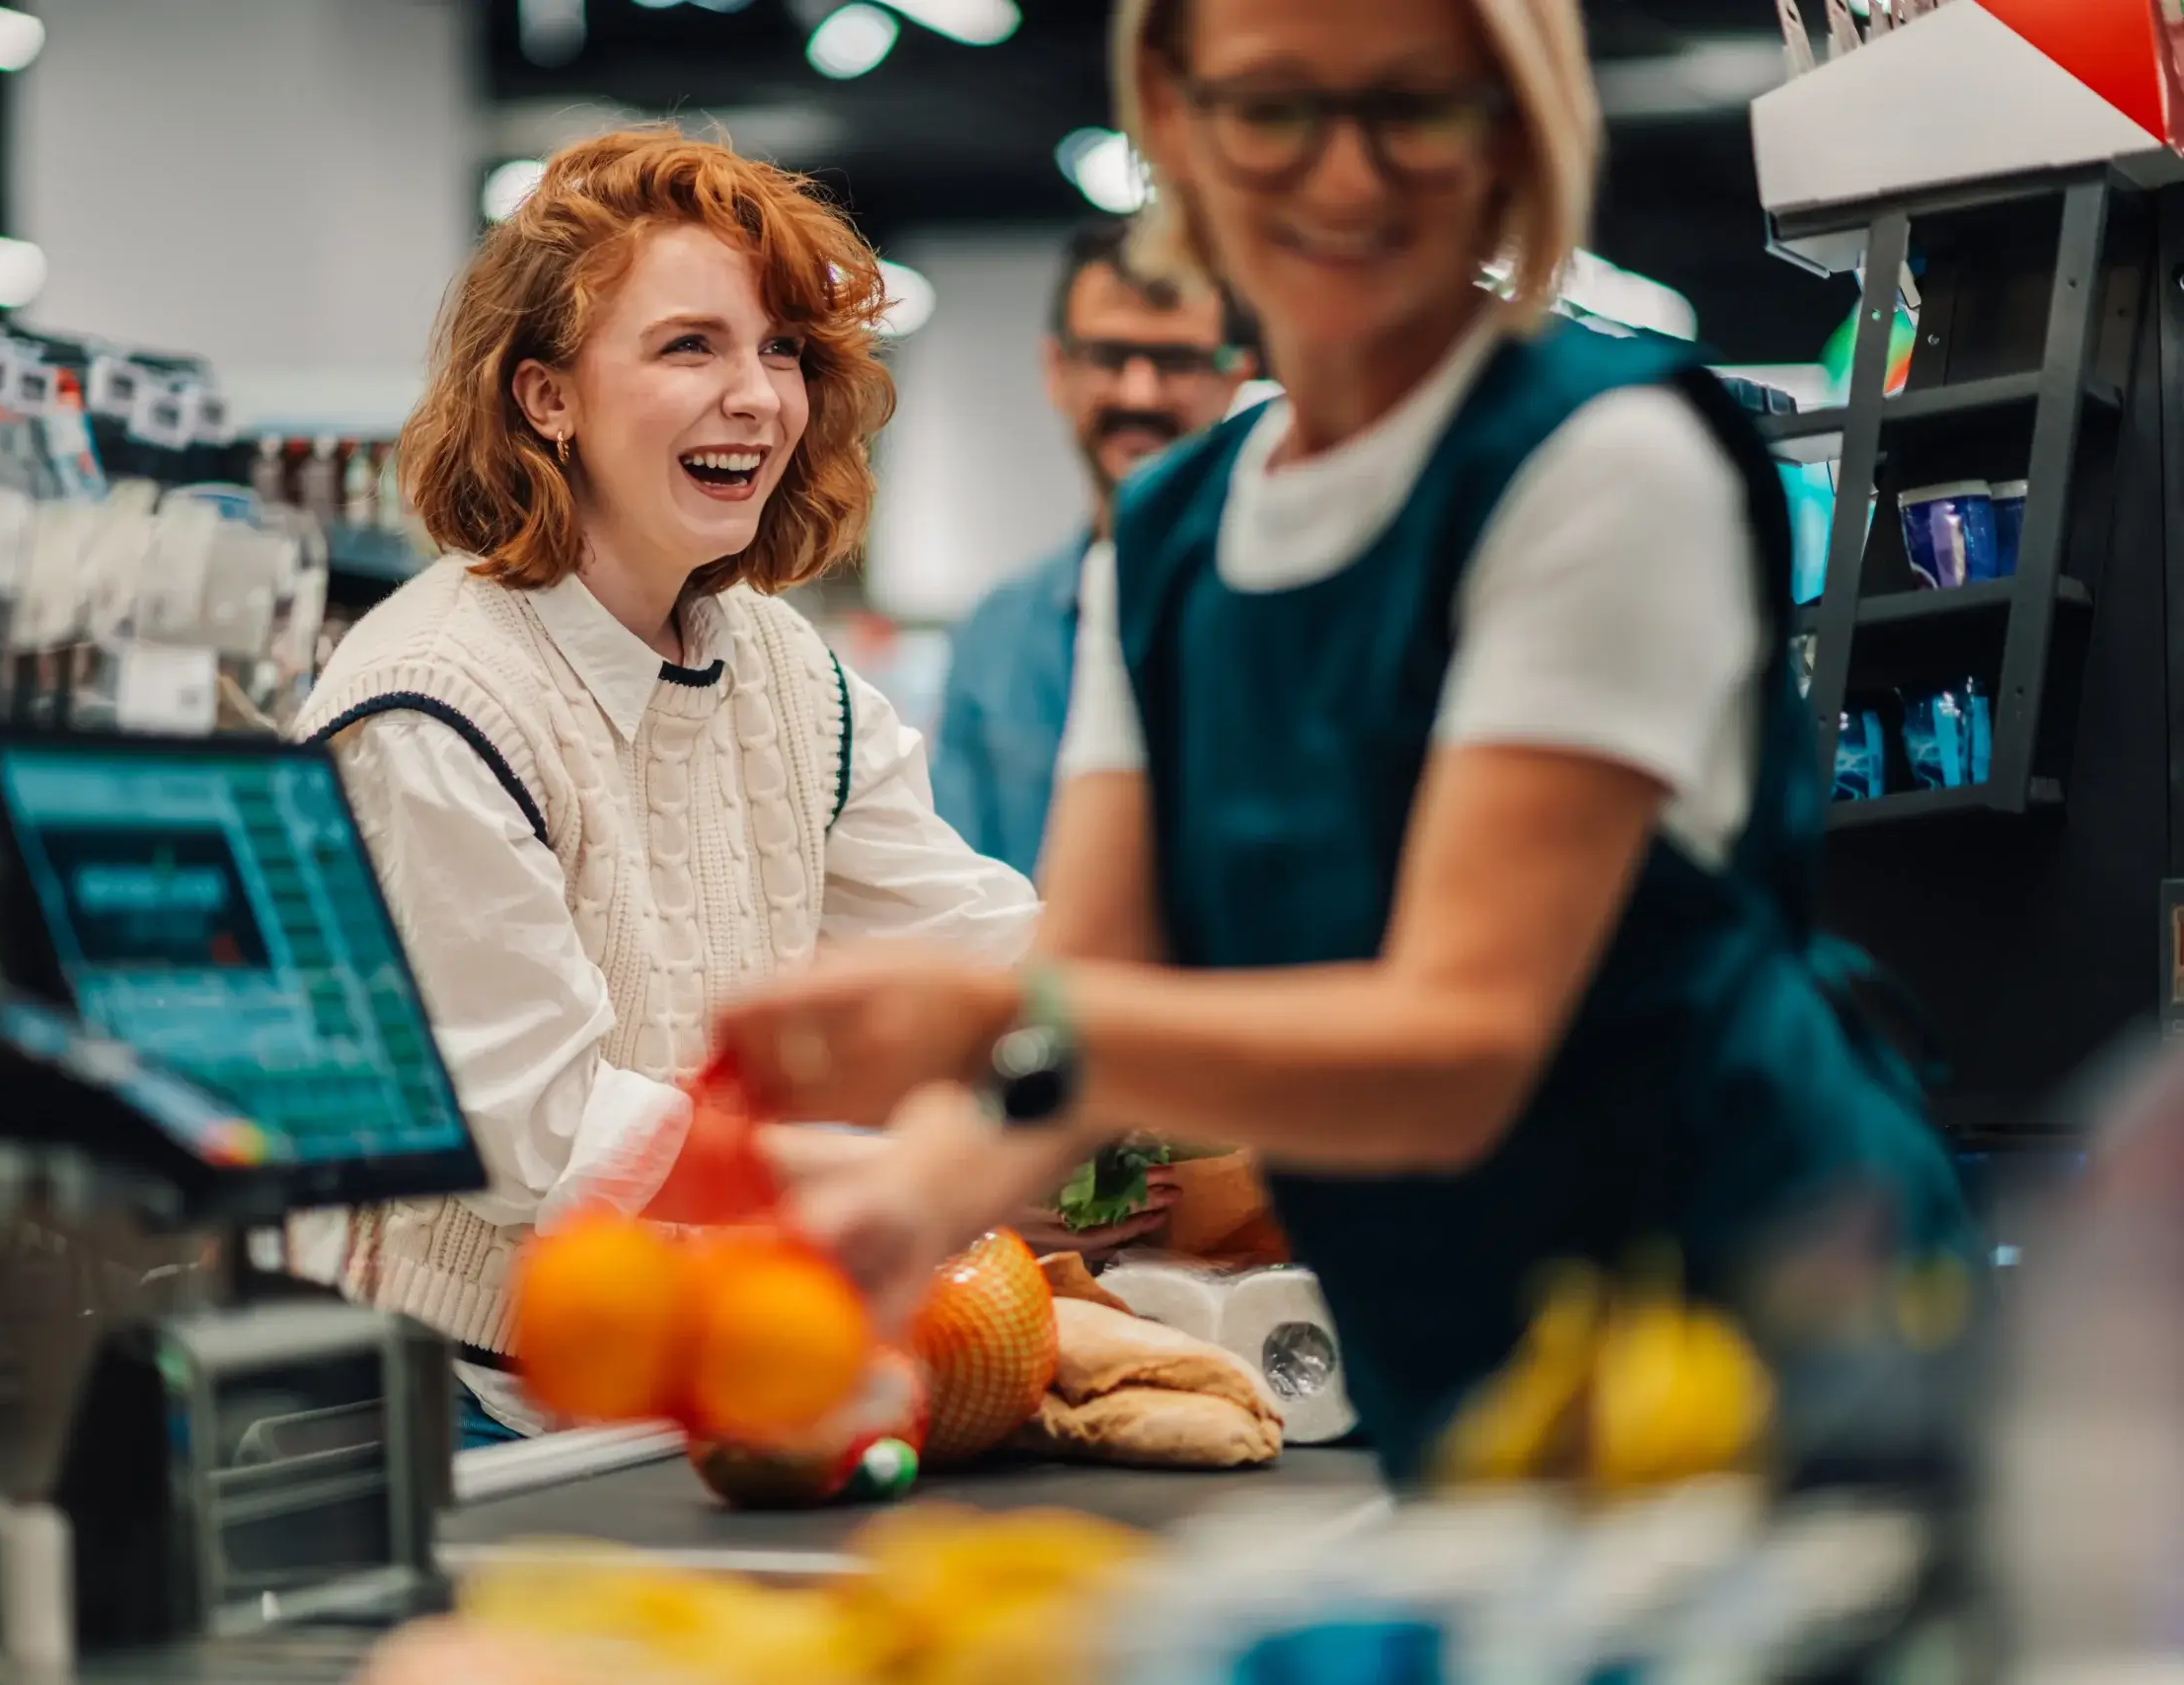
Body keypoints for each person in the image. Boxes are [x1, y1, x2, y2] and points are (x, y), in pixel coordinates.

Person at [710, 0, 1970, 1484]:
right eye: (1274, 109)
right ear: (1176, 126)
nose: (1346, 174)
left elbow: (1463, 1045)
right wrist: (911, 1200)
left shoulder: (1603, 461)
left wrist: (976, 1020)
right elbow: (1090, 997)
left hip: (1760, 1333)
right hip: (1477, 1355)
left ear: (1510, 134)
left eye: (1413, 107)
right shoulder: (1172, 536)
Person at [290, 128, 1037, 1448]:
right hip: (452, 1406)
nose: (756, 397)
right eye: (690, 347)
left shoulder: (782, 668)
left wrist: (1164, 1050)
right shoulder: (433, 701)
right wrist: (925, 1177)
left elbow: (973, 941)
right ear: (546, 397)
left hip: (696, 1370)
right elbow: (550, 1133)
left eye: (780, 350)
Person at [930, 218, 1254, 881]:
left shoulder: (1290, 616)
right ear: (1058, 370)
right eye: (1109, 356)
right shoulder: (996, 635)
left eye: (1177, 361)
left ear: (1233, 379)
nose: (1140, 393)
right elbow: (950, 888)